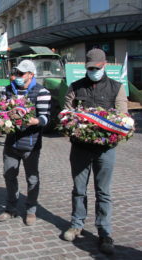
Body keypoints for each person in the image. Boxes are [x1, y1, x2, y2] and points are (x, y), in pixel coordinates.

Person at [63, 48, 128, 255]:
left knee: (103, 192)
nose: (93, 71)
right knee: (79, 189)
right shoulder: (75, 87)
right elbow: (66, 113)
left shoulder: (117, 88)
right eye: (89, 68)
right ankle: (76, 224)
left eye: (96, 68)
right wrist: (71, 124)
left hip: (105, 150)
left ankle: (105, 232)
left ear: (104, 65)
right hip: (80, 148)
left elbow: (123, 117)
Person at [0, 60, 51, 226]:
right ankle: (11, 208)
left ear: (31, 75)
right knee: (9, 175)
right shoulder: (9, 89)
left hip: (30, 143)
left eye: (21, 73)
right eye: (16, 73)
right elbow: (2, 109)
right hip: (11, 142)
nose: (17, 76)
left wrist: (31, 121)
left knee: (32, 178)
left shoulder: (42, 92)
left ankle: (31, 210)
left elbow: (46, 118)